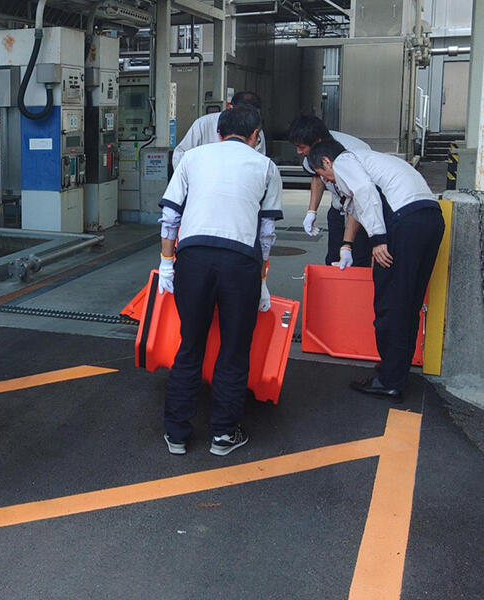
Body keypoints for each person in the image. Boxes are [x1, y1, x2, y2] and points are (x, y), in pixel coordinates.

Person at [156, 106, 282, 456]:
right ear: (255, 135)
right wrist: (262, 278)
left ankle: (177, 435)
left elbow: (170, 217)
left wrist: (168, 263)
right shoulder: (266, 167)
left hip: (192, 258)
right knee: (233, 349)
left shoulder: (192, 158)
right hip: (240, 263)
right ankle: (223, 435)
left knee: (190, 344)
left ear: (218, 132)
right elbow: (267, 231)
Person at [308, 140, 444, 400]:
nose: (327, 181)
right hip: (430, 219)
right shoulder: (372, 161)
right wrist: (347, 246)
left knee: (389, 302)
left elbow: (365, 193)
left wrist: (378, 239)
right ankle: (395, 369)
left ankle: (389, 381)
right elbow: (359, 206)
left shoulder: (345, 160)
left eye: (323, 175)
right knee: (409, 301)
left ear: (326, 161)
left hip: (403, 225)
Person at [287, 114, 372, 266]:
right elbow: (317, 178)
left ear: (317, 142)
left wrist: (348, 243)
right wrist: (311, 212)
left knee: (358, 260)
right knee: (334, 259)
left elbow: (358, 197)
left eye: (301, 147)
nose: (299, 152)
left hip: (361, 211)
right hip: (338, 209)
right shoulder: (311, 157)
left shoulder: (353, 151)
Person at [171, 91, 265, 170]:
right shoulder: (203, 124)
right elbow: (179, 155)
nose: (245, 118)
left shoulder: (256, 129)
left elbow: (259, 163)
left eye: (250, 114)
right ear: (229, 108)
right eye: (241, 112)